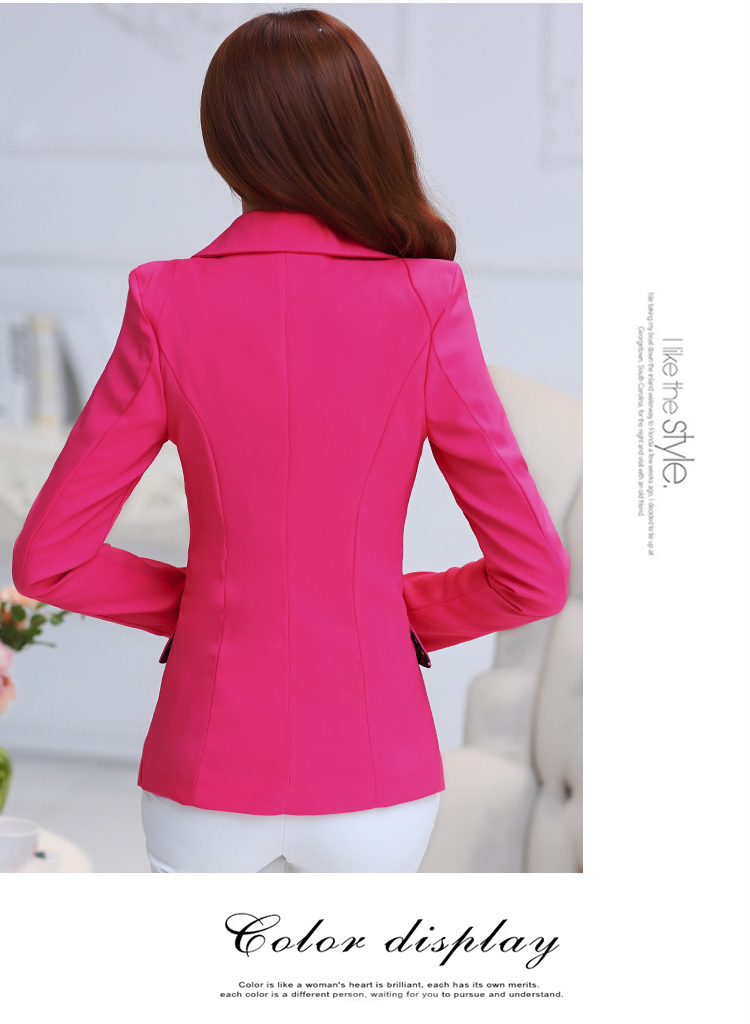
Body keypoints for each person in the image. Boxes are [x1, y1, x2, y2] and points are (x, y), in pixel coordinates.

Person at [11, 9, 570, 873]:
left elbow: (49, 559)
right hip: (375, 762)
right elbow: (533, 576)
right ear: (367, 127)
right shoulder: (425, 301)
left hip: (206, 756)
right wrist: (378, 615)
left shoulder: (167, 302)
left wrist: (217, 608)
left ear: (224, 143)